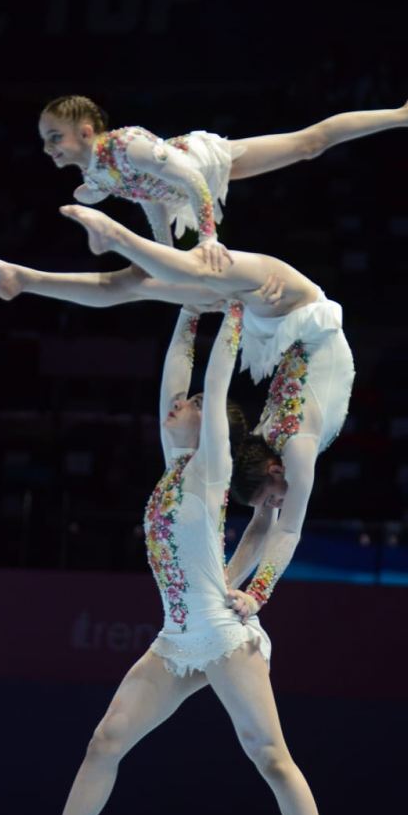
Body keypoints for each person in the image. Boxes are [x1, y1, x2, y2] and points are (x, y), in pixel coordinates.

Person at [13, 302, 344, 815]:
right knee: (106, 740)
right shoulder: (174, 465)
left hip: (221, 635)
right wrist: (190, 311)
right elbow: (177, 372)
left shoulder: (213, 466)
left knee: (270, 755)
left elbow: (215, 382)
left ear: (214, 421)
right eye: (178, 403)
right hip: (176, 636)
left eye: (188, 405)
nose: (177, 405)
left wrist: (235, 310)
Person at [56, 204, 355, 625]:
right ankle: (54, 271)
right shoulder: (296, 453)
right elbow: (276, 528)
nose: (277, 503)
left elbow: (278, 529)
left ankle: (108, 245)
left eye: (271, 498)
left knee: (183, 283)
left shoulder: (284, 452)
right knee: (177, 282)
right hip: (301, 313)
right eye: (272, 499)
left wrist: (244, 592)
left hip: (292, 313)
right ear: (273, 468)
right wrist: (236, 591)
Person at [40, 92, 408, 269]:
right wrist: (162, 254)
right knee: (308, 145)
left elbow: (191, 180)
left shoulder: (127, 146)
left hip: (205, 161)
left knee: (309, 143)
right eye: (45, 140)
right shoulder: (95, 171)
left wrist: (208, 238)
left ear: (85, 131)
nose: (49, 148)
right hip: (185, 182)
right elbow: (151, 197)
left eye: (55, 137)